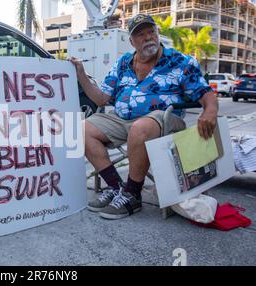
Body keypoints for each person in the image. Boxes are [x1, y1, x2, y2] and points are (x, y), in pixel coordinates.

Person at [70, 14, 218, 220]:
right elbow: (101, 98)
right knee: (79, 130)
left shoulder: (179, 61)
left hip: (163, 120)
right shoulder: (123, 63)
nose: (148, 37)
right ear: (132, 41)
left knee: (141, 127)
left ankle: (132, 195)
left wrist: (209, 111)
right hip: (122, 119)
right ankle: (116, 187)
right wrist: (81, 74)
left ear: (157, 34)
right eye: (141, 34)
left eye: (151, 32)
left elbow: (205, 93)